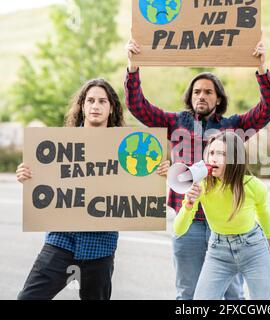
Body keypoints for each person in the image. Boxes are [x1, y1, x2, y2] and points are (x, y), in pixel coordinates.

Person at [125, 39, 270, 300]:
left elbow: (268, 109)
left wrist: (263, 70)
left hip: (227, 226)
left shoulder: (235, 127)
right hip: (190, 222)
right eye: (196, 92)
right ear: (190, 96)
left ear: (218, 99)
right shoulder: (174, 122)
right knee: (188, 292)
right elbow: (138, 106)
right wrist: (133, 66)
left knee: (233, 294)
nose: (201, 96)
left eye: (208, 92)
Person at [15, 78, 170, 300]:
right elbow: (44, 181)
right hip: (60, 241)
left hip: (101, 246)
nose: (95, 106)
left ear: (111, 108)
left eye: (102, 101)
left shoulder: (127, 148)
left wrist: (159, 172)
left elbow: (138, 186)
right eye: (90, 100)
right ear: (82, 106)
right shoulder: (60, 144)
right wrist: (27, 176)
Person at [174, 131, 270, 299]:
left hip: (254, 249)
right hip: (218, 251)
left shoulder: (254, 186)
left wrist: (269, 245)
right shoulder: (202, 187)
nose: (213, 159)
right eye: (211, 153)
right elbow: (178, 230)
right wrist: (188, 204)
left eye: (221, 154)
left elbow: (263, 214)